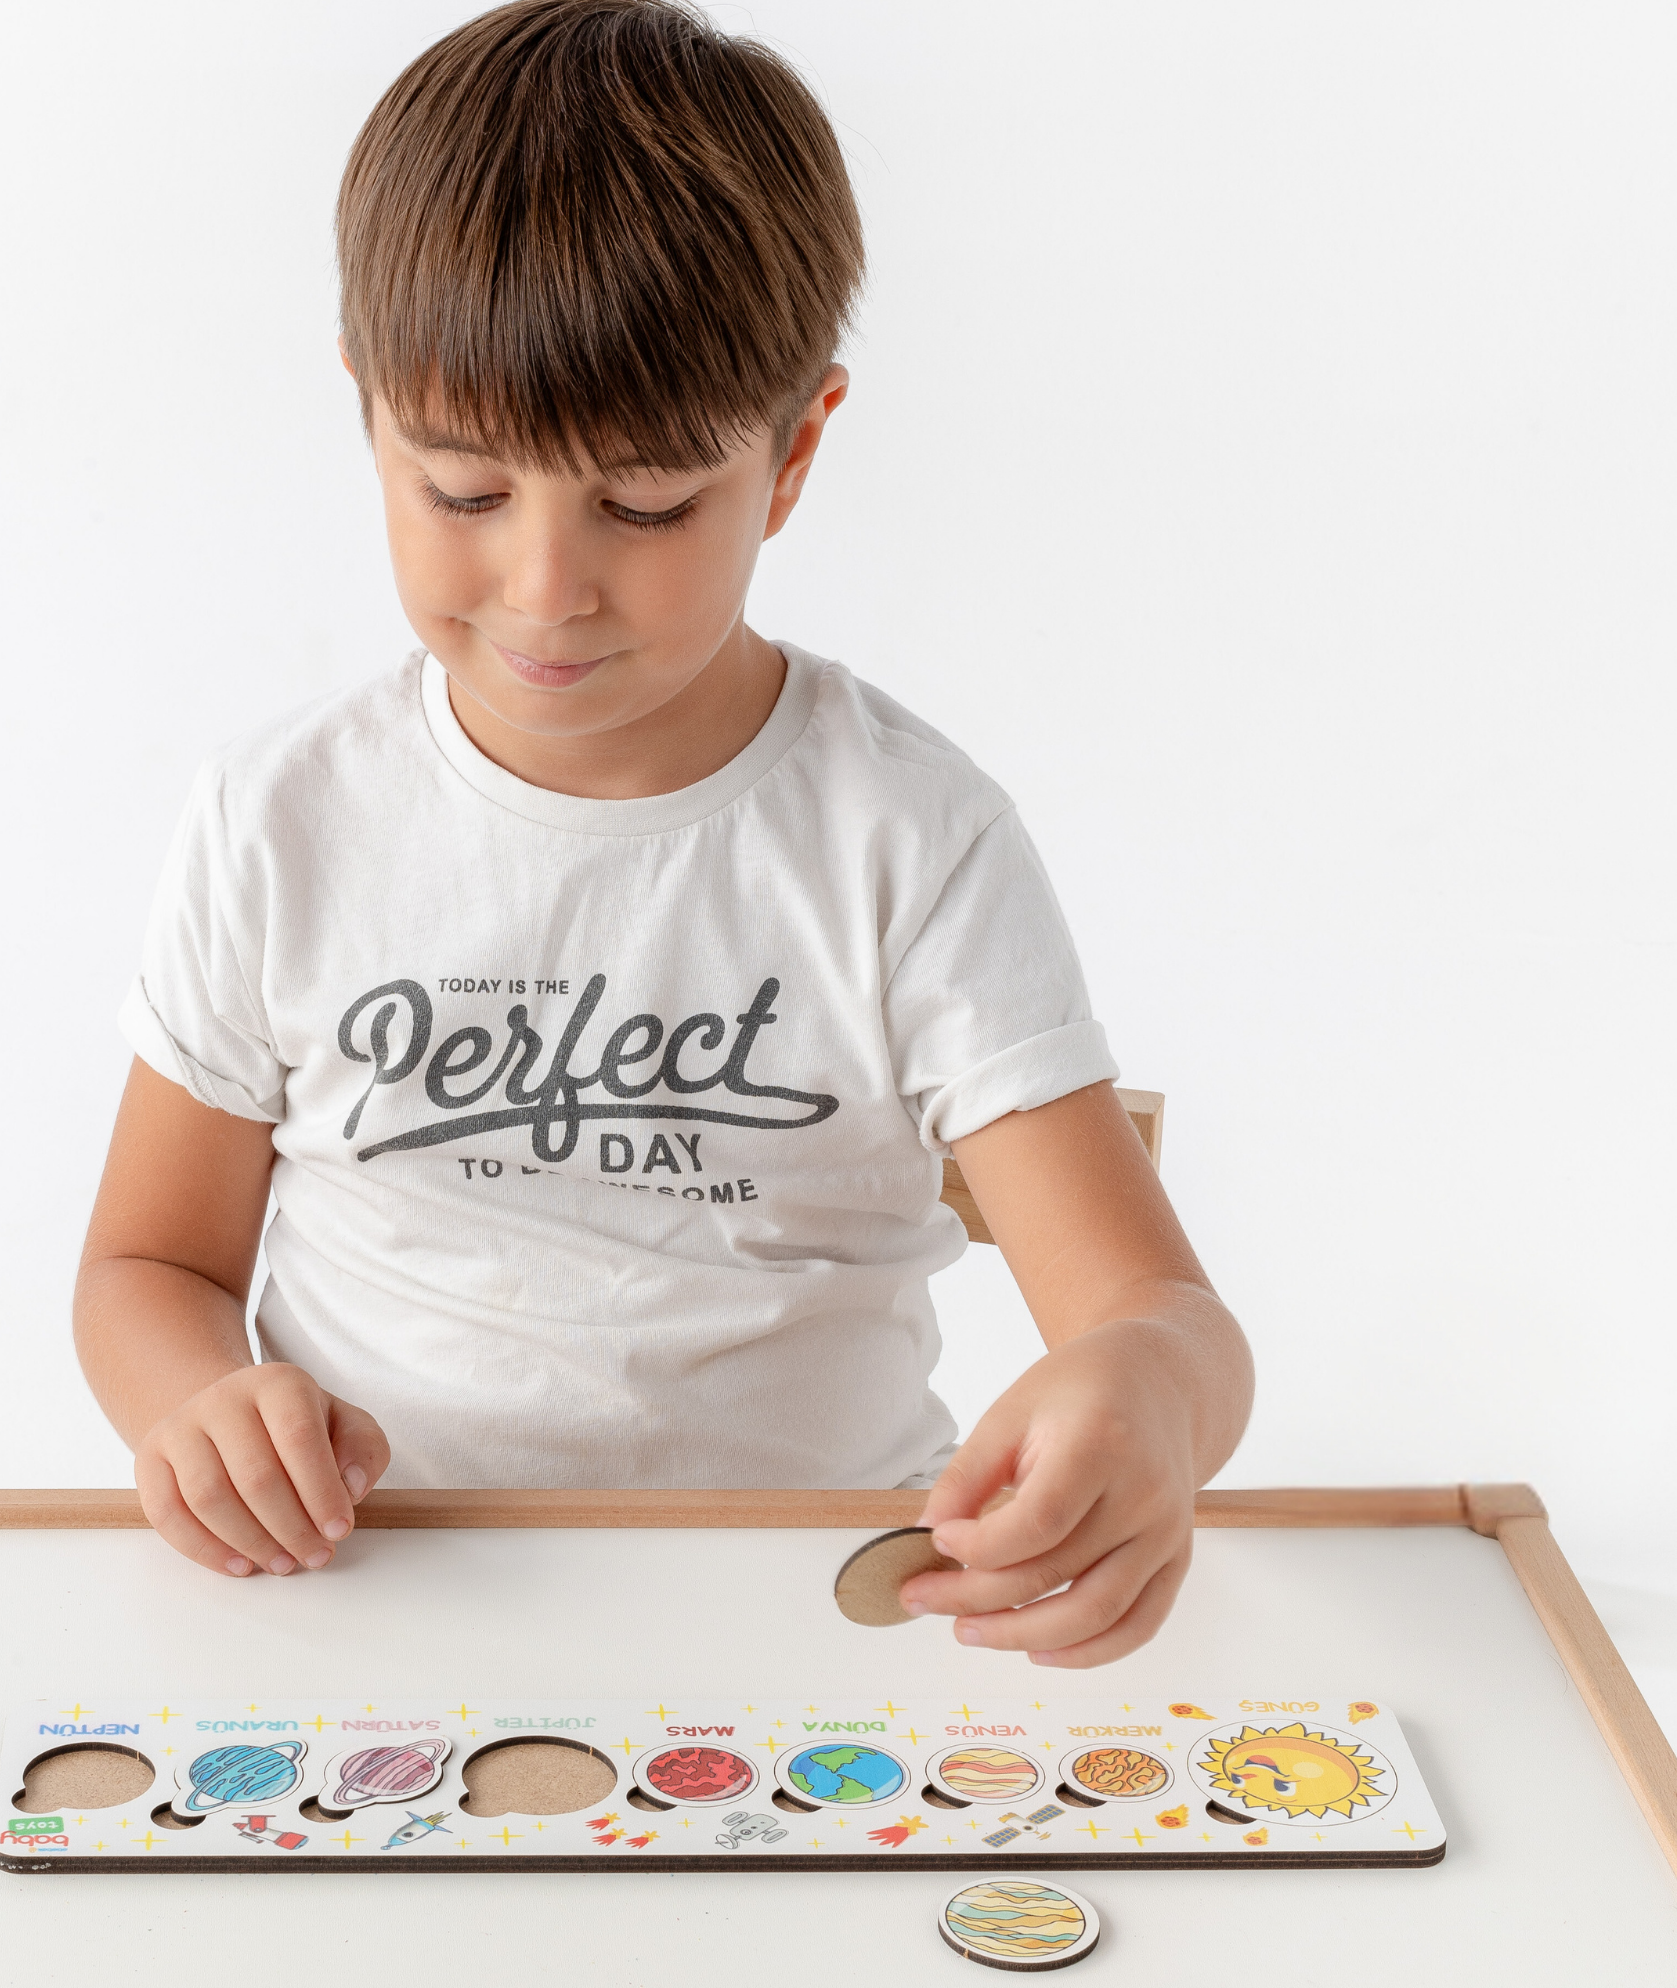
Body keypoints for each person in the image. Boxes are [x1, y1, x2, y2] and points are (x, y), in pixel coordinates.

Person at [74, 0, 1251, 1667]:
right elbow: (146, 1264)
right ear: (368, 417)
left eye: (643, 505)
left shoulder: (909, 841)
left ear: (795, 453)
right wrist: (196, 1405)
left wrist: (1148, 1396)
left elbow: (1161, 1314)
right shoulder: (282, 821)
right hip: (380, 1612)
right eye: (465, 492)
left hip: (809, 1623)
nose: (546, 587)